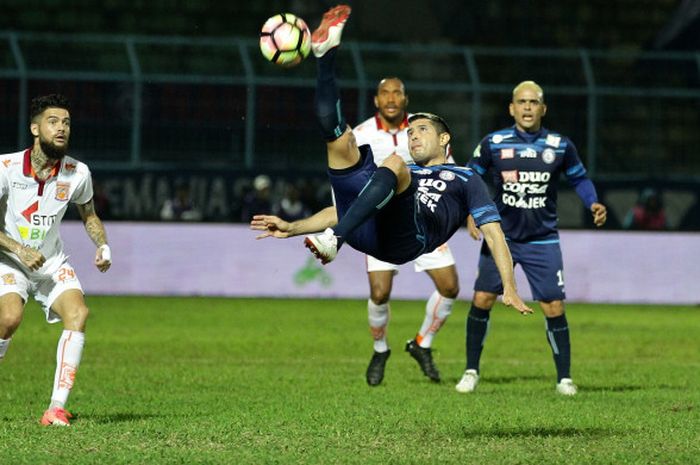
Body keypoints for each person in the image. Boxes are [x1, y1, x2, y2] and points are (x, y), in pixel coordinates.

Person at [251, 5, 533, 371]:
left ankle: (419, 339)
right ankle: (324, 58)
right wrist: (295, 227)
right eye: (411, 131)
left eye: (422, 130)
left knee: (395, 169)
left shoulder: (465, 177)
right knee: (339, 143)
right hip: (371, 230)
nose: (413, 135)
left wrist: (508, 285)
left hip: (411, 235)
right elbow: (345, 208)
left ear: (445, 138)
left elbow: (495, 234)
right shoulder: (404, 166)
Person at [301, 74, 456, 386]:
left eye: (396, 93)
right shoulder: (361, 133)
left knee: (450, 287)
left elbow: (447, 168)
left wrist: (463, 210)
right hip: (379, 221)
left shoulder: (423, 129)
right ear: (376, 100)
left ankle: (421, 343)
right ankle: (380, 349)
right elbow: (345, 184)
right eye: (384, 93)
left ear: (405, 99)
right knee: (380, 292)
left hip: (422, 217)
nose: (390, 99)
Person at [456, 81, 607, 396]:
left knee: (553, 306)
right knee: (482, 299)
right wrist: (469, 212)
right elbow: (470, 176)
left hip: (542, 238)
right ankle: (471, 371)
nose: (527, 107)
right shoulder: (494, 142)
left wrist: (592, 201)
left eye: (533, 102)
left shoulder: (559, 145)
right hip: (502, 239)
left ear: (543, 108)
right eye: (521, 102)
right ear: (511, 108)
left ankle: (563, 378)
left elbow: (579, 177)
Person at [0, 94, 112, 426]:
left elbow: (89, 216)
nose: (61, 128)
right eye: (53, 121)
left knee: (78, 313)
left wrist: (102, 245)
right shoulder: (5, 167)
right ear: (35, 128)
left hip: (51, 262)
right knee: (8, 319)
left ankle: (56, 408)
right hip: (9, 259)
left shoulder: (78, 172)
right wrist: (19, 250)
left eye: (66, 122)